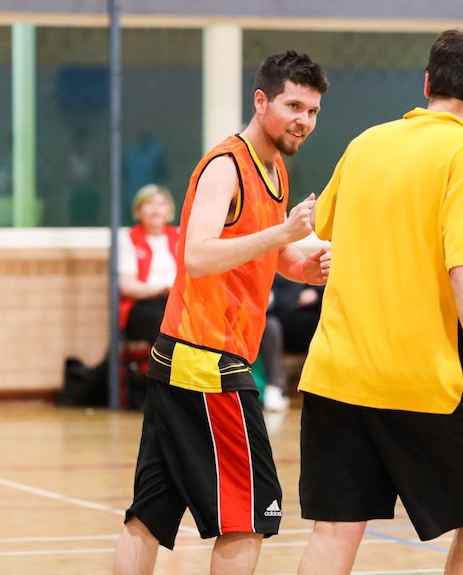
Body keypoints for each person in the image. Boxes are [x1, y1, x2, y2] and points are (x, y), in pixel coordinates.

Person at [296, 29, 463, 575]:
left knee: (336, 529)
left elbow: (319, 234)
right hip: (420, 380)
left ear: (427, 82)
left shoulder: (367, 142)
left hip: (336, 372)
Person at [112, 51, 330, 575]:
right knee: (251, 514)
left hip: (183, 358)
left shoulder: (273, 168)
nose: (304, 120)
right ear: (261, 100)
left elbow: (259, 249)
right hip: (206, 361)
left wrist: (301, 267)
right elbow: (199, 254)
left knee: (151, 513)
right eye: (293, 105)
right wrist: (285, 232)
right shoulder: (224, 166)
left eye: (314, 110)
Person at [118, 184, 179, 346]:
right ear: (138, 210)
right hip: (141, 304)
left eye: (161, 204)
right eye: (149, 204)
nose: (156, 210)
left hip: (176, 301)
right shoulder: (128, 239)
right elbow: (127, 286)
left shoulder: (180, 237)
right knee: (164, 322)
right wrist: (159, 290)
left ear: (169, 210)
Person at [260, 275, 326, 411]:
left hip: (301, 320)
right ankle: (274, 386)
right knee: (271, 326)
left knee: (325, 323)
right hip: (276, 320)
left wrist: (315, 293)